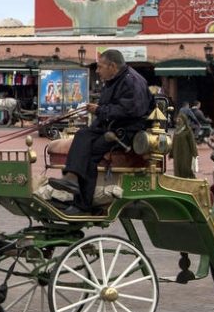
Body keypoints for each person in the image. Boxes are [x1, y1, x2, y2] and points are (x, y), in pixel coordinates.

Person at [49, 49, 152, 215]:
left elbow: (132, 110)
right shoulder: (114, 80)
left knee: (91, 151)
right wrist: (97, 117)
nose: (97, 71)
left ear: (112, 66)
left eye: (99, 67)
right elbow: (108, 109)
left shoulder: (132, 81)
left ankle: (83, 205)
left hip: (127, 132)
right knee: (82, 135)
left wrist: (100, 110)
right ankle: (72, 177)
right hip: (111, 126)